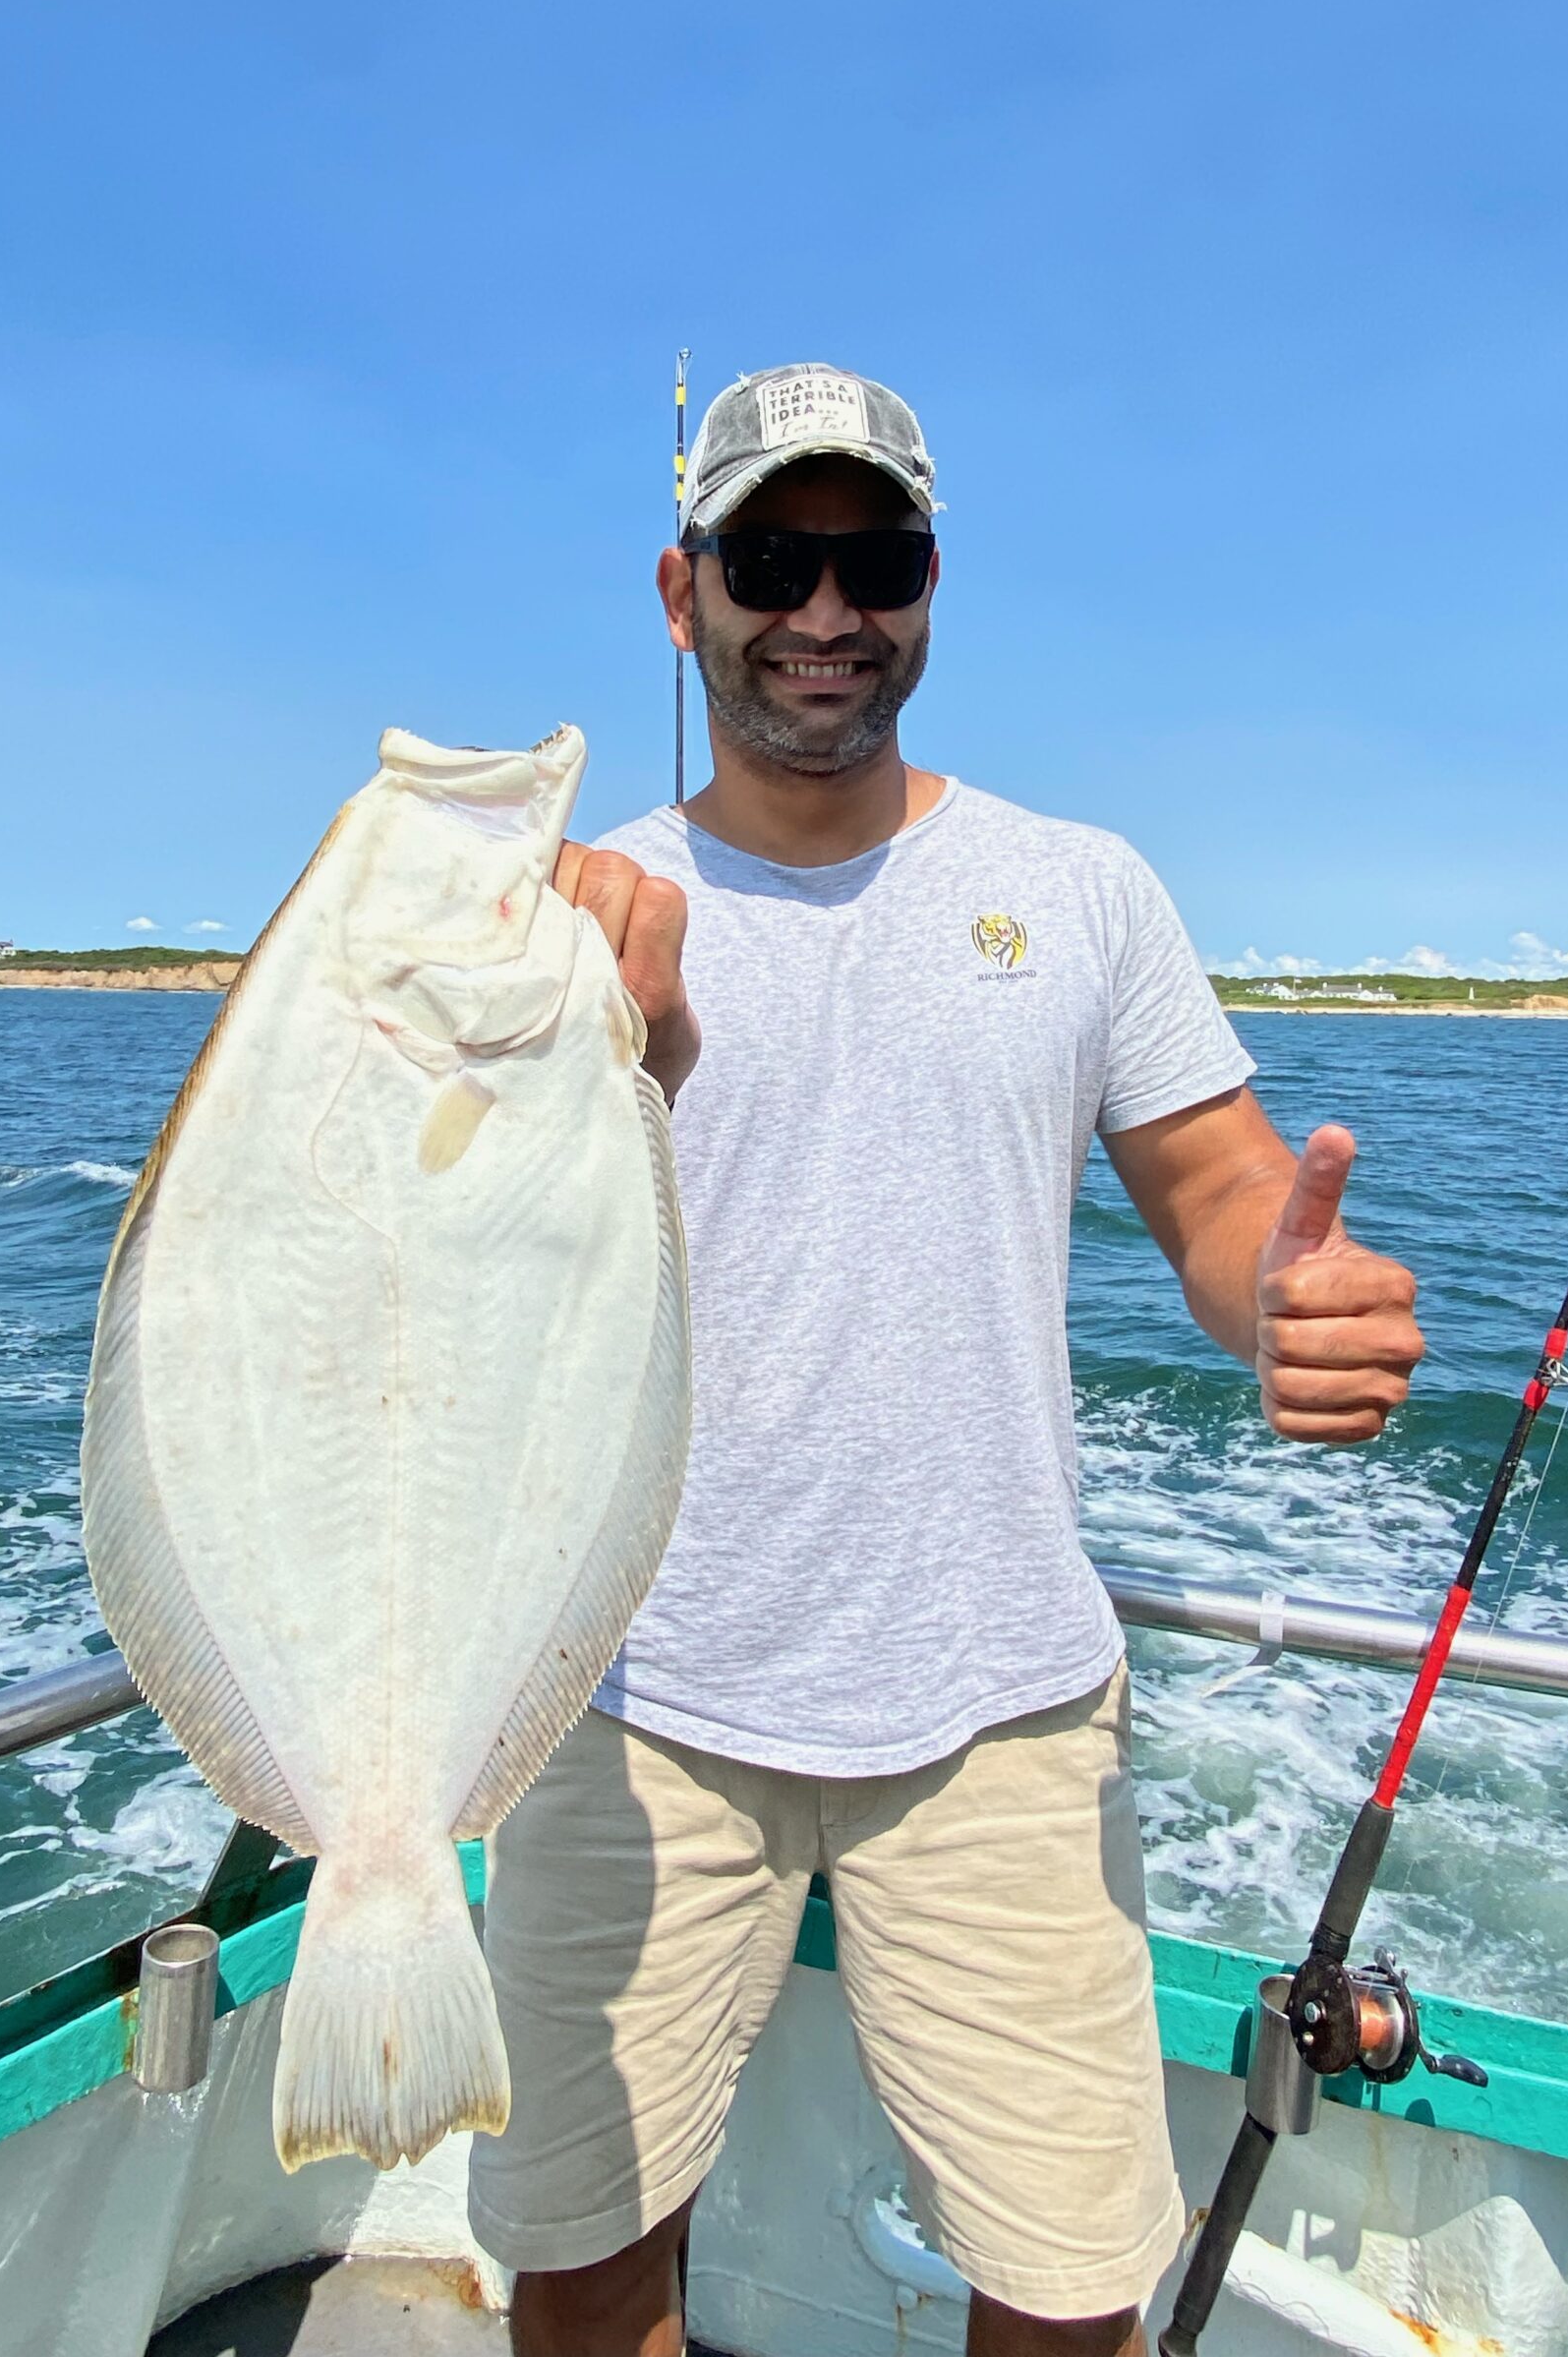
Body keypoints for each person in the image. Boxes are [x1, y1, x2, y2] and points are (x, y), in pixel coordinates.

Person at [468, 363, 1426, 2357]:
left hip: (999, 1702)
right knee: (582, 2262)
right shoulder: (574, 915)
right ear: (683, 590)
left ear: (930, 583)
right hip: (630, 1690)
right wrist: (577, 1037)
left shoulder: (1082, 888)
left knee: (1070, 2286)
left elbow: (1221, 1187)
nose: (824, 609)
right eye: (771, 558)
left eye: (875, 556)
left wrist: (1283, 1291)